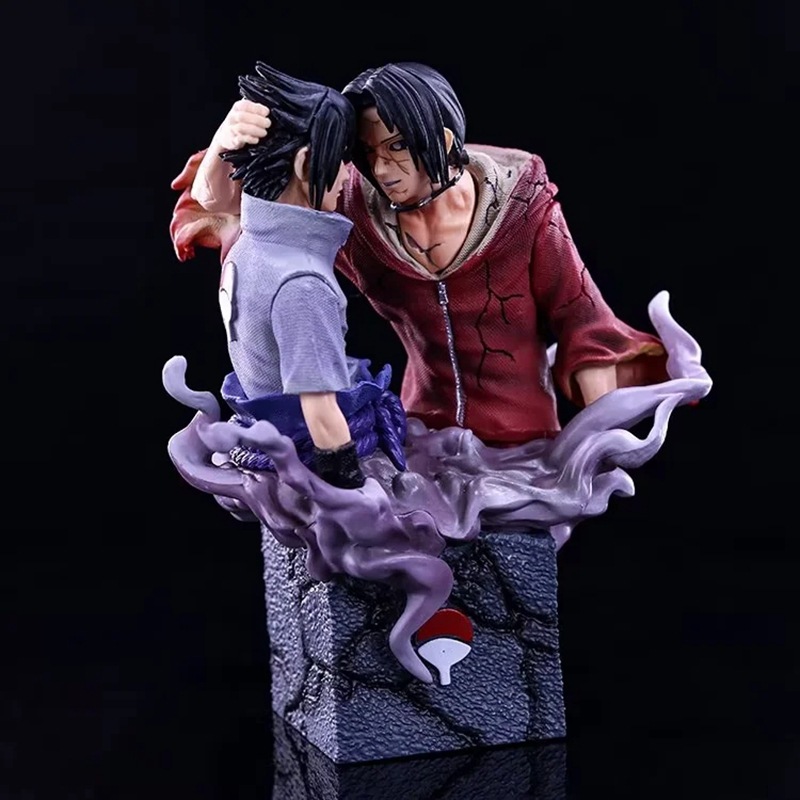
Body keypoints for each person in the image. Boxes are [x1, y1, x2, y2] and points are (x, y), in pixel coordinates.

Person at [172, 61, 668, 448]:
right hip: (420, 437)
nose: (382, 170)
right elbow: (234, 203)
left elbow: (584, 323)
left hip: (523, 444)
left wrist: (596, 436)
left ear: (443, 141)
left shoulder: (523, 211)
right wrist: (224, 143)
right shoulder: (352, 206)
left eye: (397, 148)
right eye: (367, 154)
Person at [190, 61, 406, 488]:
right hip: (301, 439)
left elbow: (210, 196)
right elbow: (321, 410)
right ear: (307, 165)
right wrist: (350, 486)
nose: (349, 174)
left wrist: (222, 141)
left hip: (262, 410)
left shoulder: (249, 242)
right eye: (342, 160)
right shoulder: (302, 285)